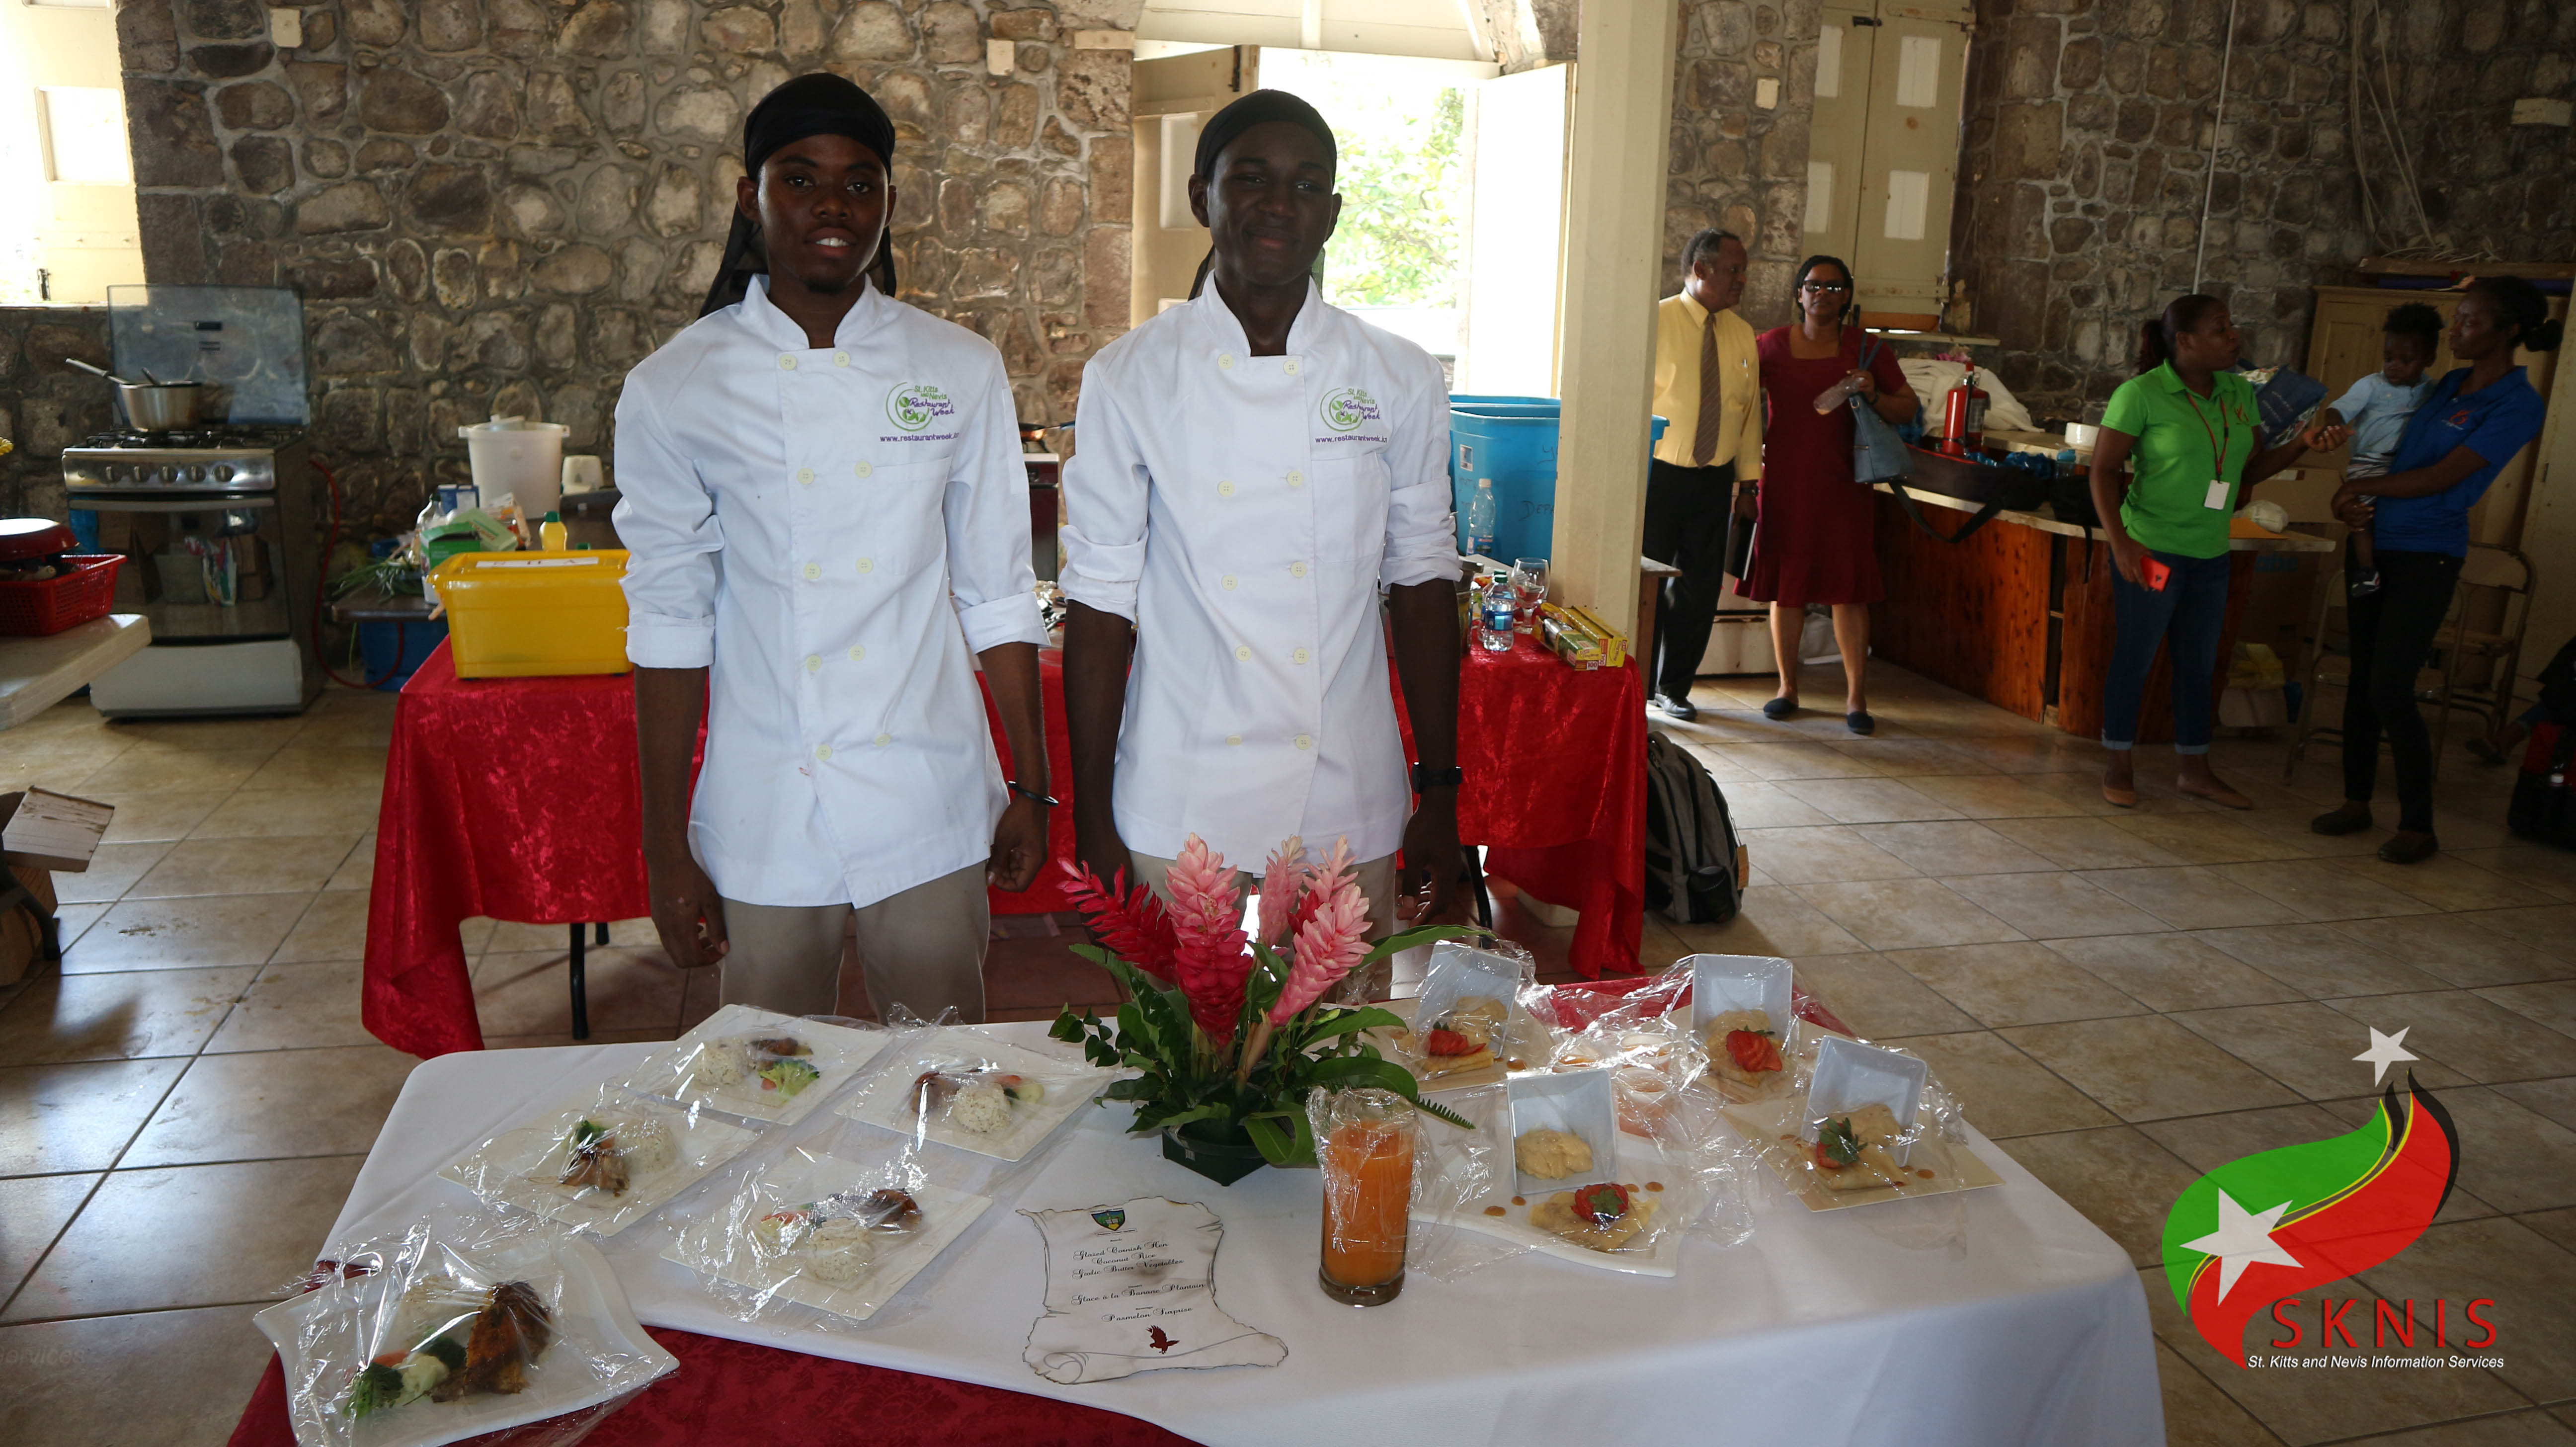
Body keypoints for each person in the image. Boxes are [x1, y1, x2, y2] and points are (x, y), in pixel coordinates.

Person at [614, 74, 1051, 1022]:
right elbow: (669, 621)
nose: (832, 205)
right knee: (768, 1069)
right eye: (800, 178)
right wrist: (664, 848)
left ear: (888, 203)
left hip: (927, 786)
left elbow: (997, 590)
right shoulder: (675, 386)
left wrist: (1031, 783)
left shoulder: (958, 368)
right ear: (751, 196)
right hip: (766, 795)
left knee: (944, 1068)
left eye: (859, 183)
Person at [1059, 89, 1462, 961]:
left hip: (1347, 785)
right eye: (1250, 178)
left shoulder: (1396, 374)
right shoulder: (1130, 376)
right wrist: (1092, 817)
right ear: (1200, 195)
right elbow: (1098, 596)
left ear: (1333, 213)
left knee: (1338, 1033)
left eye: (1306, 184)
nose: (1280, 204)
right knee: (1180, 1033)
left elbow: (1423, 575)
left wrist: (1440, 790)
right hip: (1178, 782)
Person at [2313, 275, 2559, 862]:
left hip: (2427, 554)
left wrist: (2357, 489)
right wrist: (2353, 500)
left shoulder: (2517, 403)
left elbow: (2443, 476)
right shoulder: (2447, 384)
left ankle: (2419, 825)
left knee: (2391, 686)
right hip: (2373, 538)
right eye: (2458, 319)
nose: (2456, 330)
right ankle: (2355, 801)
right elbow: (2388, 444)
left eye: (2470, 321)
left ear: (2509, 330)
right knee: (2362, 677)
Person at [2090, 295, 2342, 809]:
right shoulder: (2141, 394)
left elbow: (2247, 472)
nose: (2234, 337)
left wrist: (2302, 444)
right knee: (2137, 657)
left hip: (2210, 555)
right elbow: (2103, 471)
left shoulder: (2238, 392)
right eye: (2220, 328)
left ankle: (2195, 770)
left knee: (2199, 665)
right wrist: (2122, 544)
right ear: (2185, 341)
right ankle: (2118, 762)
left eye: (2232, 327)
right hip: (2152, 552)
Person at [1742, 255, 1918, 734]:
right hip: (1785, 483)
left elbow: (1907, 408)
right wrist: (1743, 474)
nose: (1823, 294)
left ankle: (1856, 698)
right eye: (1814, 285)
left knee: (1848, 588)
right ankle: (1787, 688)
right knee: (1787, 586)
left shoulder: (1867, 349)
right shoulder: (1770, 346)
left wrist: (1873, 393)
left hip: (1846, 485)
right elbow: (1740, 403)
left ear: (1848, 297)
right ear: (1798, 293)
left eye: (1835, 287)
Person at [1642, 227, 1762, 722]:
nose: (1742, 280)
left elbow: (1750, 414)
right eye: (1734, 270)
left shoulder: (1743, 334)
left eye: (1744, 271)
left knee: (1700, 587)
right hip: (1656, 476)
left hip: (1714, 480)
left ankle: (1674, 687)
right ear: (1700, 269)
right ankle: (1637, 685)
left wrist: (1749, 484)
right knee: (1646, 584)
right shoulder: (1654, 321)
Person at [2319, 303, 2443, 597]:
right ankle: (2366, 570)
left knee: (2391, 511)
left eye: (2406, 360)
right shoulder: (2371, 385)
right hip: (2369, 461)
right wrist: (2334, 427)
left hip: (2405, 464)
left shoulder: (2433, 390)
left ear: (2429, 358)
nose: (2394, 366)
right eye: (2388, 358)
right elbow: (2338, 409)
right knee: (2361, 514)